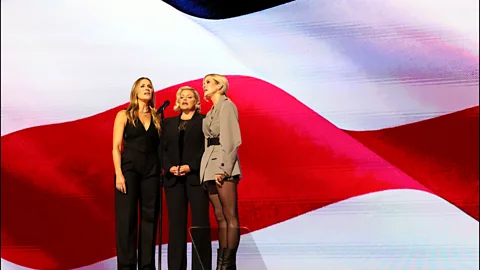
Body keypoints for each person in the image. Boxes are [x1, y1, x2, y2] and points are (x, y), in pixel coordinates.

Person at [112, 77, 161, 270]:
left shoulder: (157, 116)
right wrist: (119, 173)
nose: (147, 89)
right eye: (143, 86)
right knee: (127, 219)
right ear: (135, 92)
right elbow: (116, 146)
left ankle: (147, 266)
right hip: (129, 170)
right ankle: (126, 266)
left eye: (149, 86)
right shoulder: (124, 114)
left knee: (150, 218)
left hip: (152, 171)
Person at [162, 86, 212, 270]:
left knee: (200, 225)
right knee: (176, 227)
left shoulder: (204, 120)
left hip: (196, 179)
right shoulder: (167, 123)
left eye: (189, 97)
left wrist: (190, 166)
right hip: (173, 181)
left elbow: (207, 148)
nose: (184, 99)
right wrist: (169, 167)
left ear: (196, 102)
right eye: (181, 97)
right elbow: (162, 149)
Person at [200, 74, 242, 270]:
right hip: (209, 165)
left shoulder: (227, 106)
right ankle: (221, 264)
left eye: (208, 82)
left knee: (230, 214)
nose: (204, 86)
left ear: (219, 86)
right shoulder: (210, 112)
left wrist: (224, 169)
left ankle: (228, 264)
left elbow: (232, 139)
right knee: (219, 216)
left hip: (223, 164)